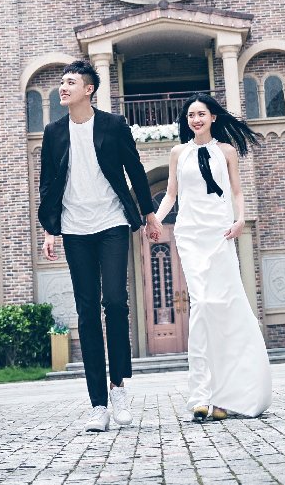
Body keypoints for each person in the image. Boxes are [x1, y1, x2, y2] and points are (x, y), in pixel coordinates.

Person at [38, 60, 159, 432]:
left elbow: (135, 170)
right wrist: (49, 230)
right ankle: (97, 405)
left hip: (111, 223)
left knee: (116, 302)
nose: (63, 87)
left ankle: (118, 386)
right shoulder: (54, 132)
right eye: (62, 82)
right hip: (74, 229)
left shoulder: (112, 125)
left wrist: (149, 214)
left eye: (70, 82)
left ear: (88, 89)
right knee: (87, 312)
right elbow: (47, 184)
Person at [147, 93, 271, 422]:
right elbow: (172, 193)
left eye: (202, 114)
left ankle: (228, 394)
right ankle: (201, 395)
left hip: (220, 234)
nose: (196, 119)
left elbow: (237, 190)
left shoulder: (226, 151)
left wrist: (240, 219)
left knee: (224, 309)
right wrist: (156, 219)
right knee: (201, 306)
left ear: (213, 117)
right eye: (191, 115)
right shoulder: (178, 153)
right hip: (190, 235)